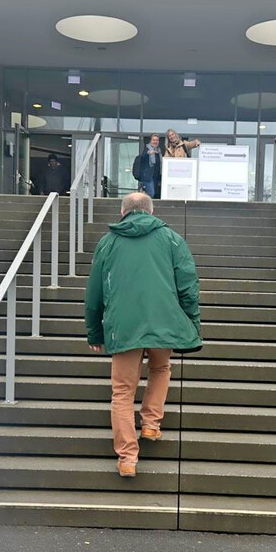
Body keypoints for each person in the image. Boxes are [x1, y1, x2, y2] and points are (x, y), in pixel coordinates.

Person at [84, 192, 202, 478]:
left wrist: (95, 332)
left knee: (123, 391)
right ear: (151, 212)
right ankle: (150, 423)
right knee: (160, 368)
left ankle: (128, 458)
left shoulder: (108, 242)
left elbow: (94, 292)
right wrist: (192, 322)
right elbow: (188, 285)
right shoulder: (172, 240)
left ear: (122, 213)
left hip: (123, 325)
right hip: (164, 320)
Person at [132, 133, 163, 198]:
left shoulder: (159, 152)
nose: (155, 142)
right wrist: (148, 154)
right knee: (151, 193)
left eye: (157, 140)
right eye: (153, 140)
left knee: (154, 194)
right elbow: (142, 159)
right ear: (150, 141)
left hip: (155, 177)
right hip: (147, 177)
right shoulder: (147, 149)